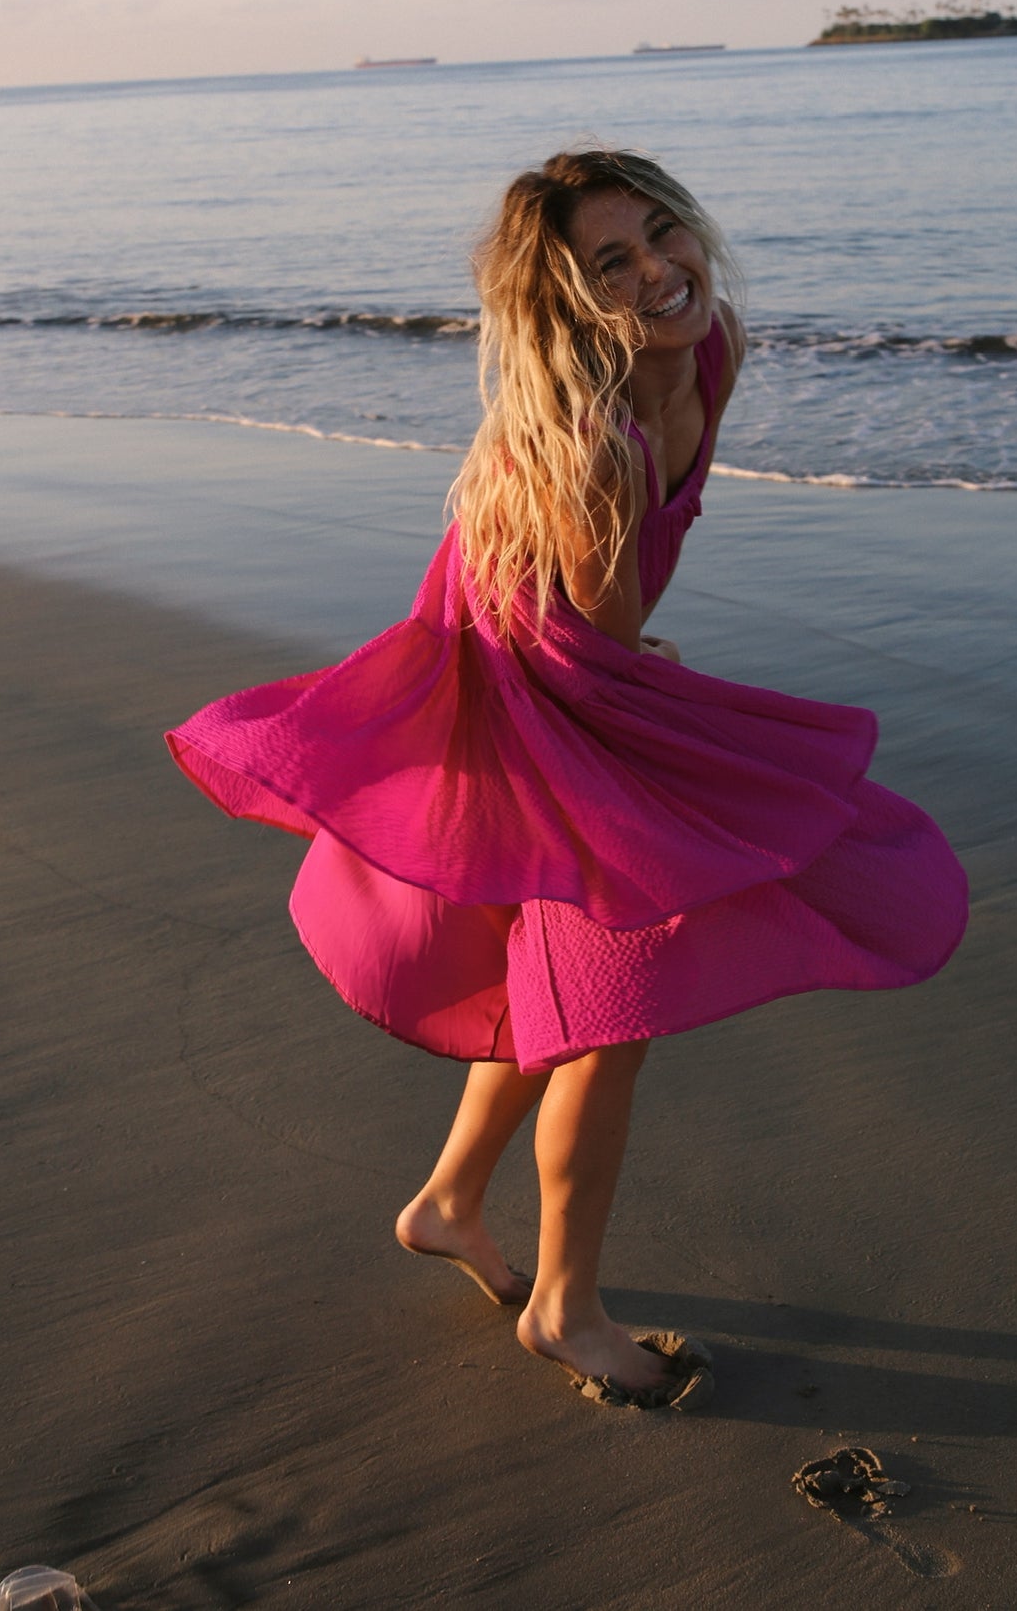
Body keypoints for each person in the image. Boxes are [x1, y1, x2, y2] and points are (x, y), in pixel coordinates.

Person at [167, 148, 967, 1408]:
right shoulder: (584, 445)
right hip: (532, 700)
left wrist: (636, 643)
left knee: (551, 988)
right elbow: (591, 637)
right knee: (611, 1009)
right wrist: (646, 666)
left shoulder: (711, 349)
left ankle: (446, 1202)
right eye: (613, 261)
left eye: (662, 232)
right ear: (567, 302)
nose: (659, 269)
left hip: (578, 674)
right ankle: (563, 1306)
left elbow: (643, 574)